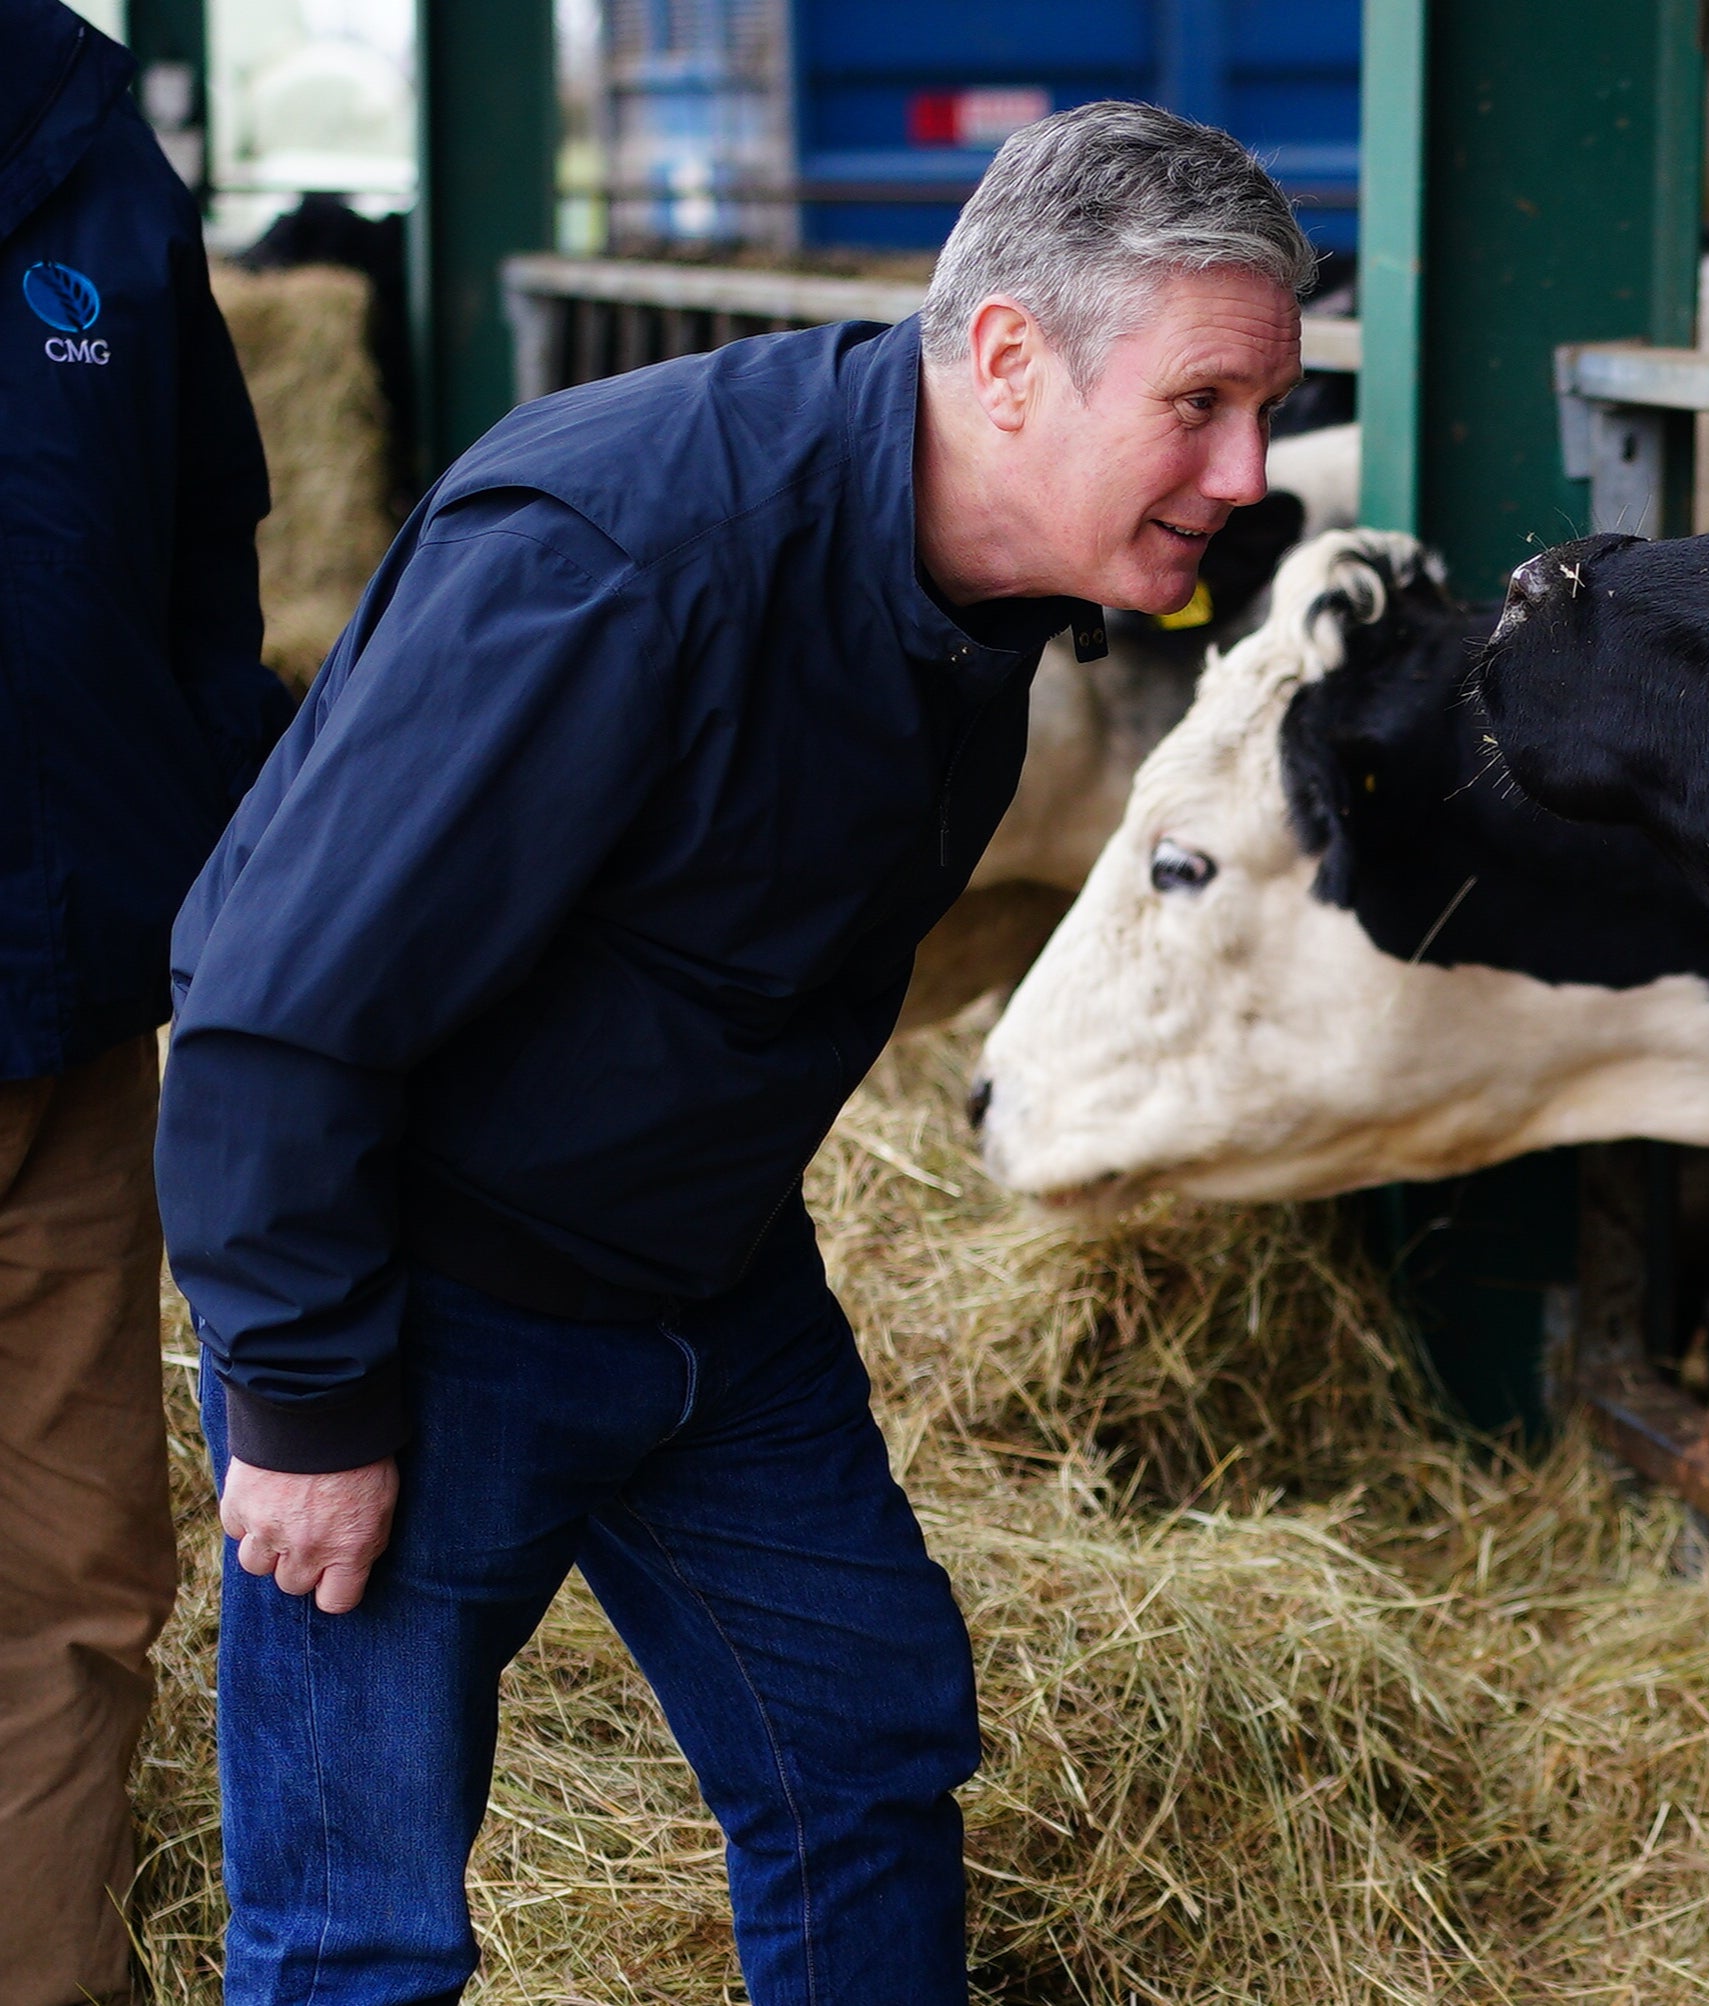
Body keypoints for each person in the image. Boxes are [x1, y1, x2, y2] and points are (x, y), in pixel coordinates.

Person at [156, 100, 1310, 2002]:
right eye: (1202, 402)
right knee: (357, 1924)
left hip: (711, 1285)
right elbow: (279, 999)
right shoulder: (621, 551)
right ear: (1010, 359)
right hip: (421, 1305)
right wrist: (298, 1399)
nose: (1247, 466)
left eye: (1264, 405)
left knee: (866, 1756)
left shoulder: (992, 586)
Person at [0, 3, 291, 1998]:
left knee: (71, 1580)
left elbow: (206, 568)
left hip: (60, 999)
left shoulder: (95, 151)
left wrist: (222, 892)